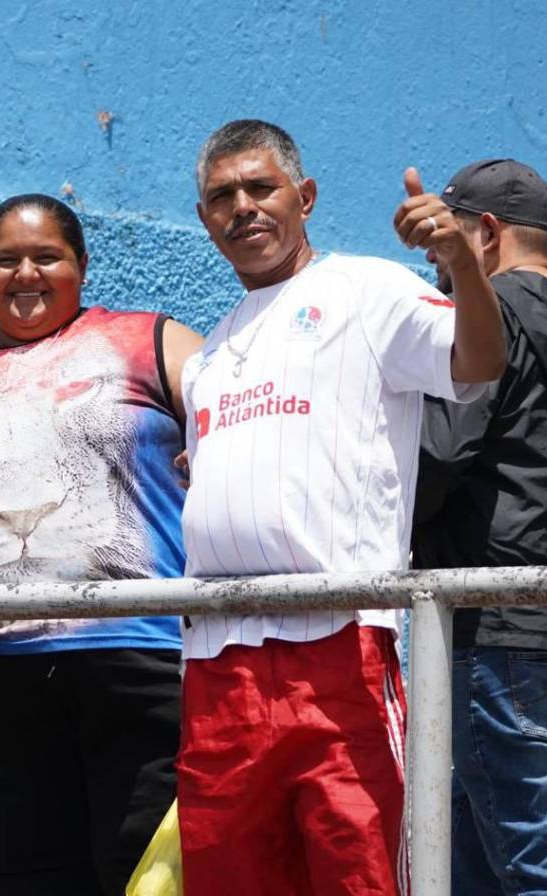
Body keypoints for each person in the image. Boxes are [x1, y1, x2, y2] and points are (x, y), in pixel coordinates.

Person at [176, 119, 506, 895]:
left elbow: (480, 361)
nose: (243, 208)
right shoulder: (209, 355)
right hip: (215, 664)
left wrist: (460, 260)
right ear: (204, 218)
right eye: (222, 196)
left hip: (339, 646)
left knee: (362, 880)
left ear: (306, 197)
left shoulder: (367, 290)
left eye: (261, 188)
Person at [0, 193, 203, 896]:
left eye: (46, 257)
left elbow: (241, 427)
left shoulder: (152, 341)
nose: (26, 274)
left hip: (142, 660)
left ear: (81, 265)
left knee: (151, 878)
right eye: (6, 260)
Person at [412, 159, 547, 895]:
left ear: (485, 233)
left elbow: (441, 453)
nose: (436, 263)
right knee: (475, 862)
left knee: (541, 867)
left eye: (444, 242)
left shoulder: (486, 315)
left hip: (496, 629)